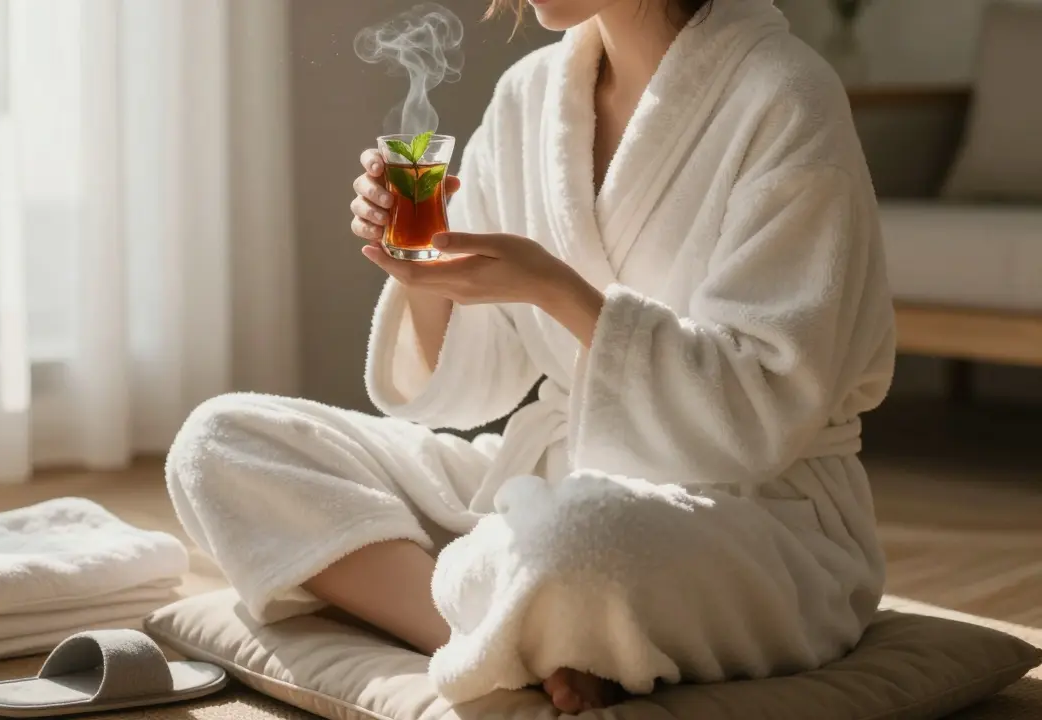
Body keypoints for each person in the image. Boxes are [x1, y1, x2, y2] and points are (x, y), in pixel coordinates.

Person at [166, 0, 896, 712]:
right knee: (220, 441)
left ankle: (511, 607)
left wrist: (556, 289)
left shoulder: (783, 92)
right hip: (548, 477)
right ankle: (510, 641)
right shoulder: (530, 96)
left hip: (746, 513)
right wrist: (421, 276)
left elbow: (762, 408)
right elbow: (474, 385)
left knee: (581, 540)